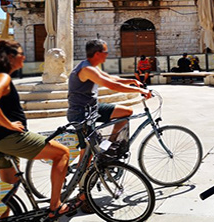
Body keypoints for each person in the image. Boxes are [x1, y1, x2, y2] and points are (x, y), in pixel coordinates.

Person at [0, 40, 71, 218]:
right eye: (20, 54)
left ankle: (3, 217)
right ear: (9, 58)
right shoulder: (2, 77)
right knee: (62, 153)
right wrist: (7, 124)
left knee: (10, 186)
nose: (23, 57)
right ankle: (55, 205)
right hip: (8, 137)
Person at [67, 39, 151, 213]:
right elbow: (111, 85)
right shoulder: (87, 69)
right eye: (105, 52)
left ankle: (108, 146)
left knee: (125, 112)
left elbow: (111, 78)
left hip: (93, 109)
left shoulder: (91, 67)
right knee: (87, 158)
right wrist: (140, 91)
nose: (107, 54)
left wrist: (131, 81)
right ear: (97, 53)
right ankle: (82, 197)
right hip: (81, 115)